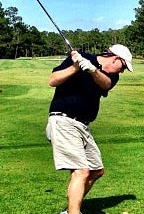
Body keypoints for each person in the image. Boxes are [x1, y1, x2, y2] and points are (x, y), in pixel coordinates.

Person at [45, 44, 133, 214]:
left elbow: (105, 84)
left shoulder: (111, 76)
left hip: (83, 126)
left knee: (96, 170)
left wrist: (92, 70)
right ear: (115, 58)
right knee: (81, 171)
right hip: (63, 120)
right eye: (123, 67)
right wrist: (75, 67)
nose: (121, 71)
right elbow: (52, 80)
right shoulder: (80, 58)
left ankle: (69, 210)